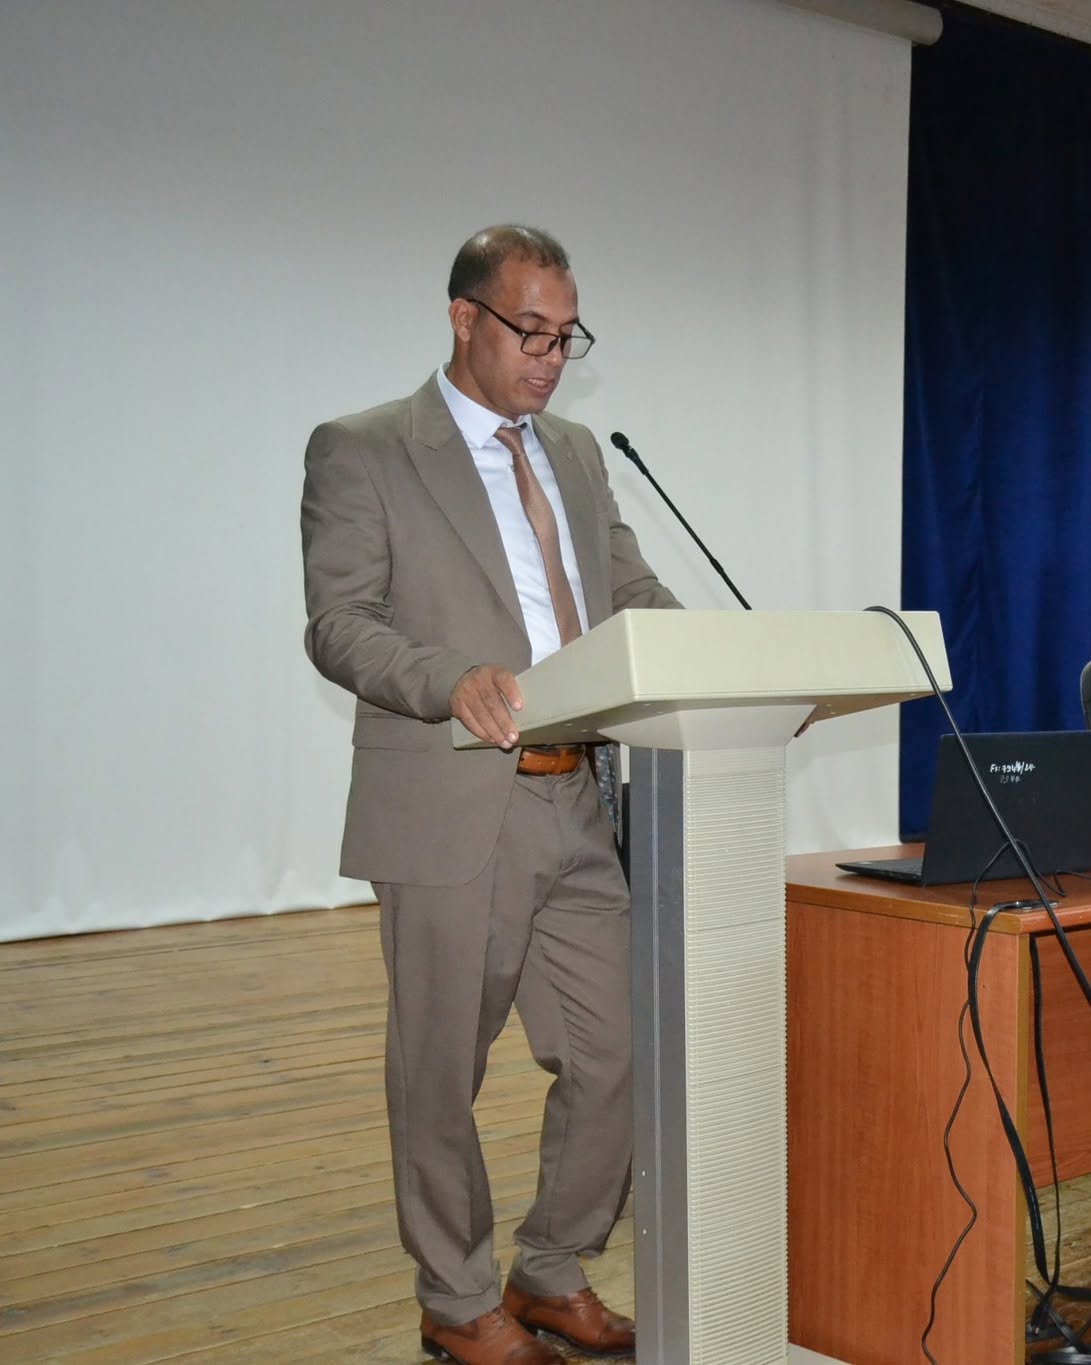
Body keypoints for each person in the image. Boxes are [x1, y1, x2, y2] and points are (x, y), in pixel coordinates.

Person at [301, 226, 676, 1365]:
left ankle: (551, 1268)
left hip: (577, 797)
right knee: (439, 1073)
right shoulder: (365, 449)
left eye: (567, 338)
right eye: (531, 333)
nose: (551, 359)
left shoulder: (574, 452)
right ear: (464, 317)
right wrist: (446, 679)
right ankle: (456, 1297)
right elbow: (339, 622)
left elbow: (627, 589)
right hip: (451, 798)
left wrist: (725, 662)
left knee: (619, 1053)